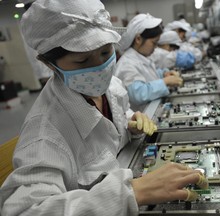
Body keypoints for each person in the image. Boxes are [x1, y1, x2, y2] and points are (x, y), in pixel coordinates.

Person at [0, 1, 207, 216]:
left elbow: (113, 125)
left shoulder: (111, 85)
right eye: (82, 60)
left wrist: (130, 124)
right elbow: (25, 210)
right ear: (49, 64)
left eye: (106, 52)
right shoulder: (44, 134)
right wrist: (129, 193)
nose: (99, 67)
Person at [115, 13, 183, 112]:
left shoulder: (141, 57)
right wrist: (165, 82)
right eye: (154, 43)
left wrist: (163, 74)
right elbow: (138, 94)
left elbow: (148, 76)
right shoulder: (127, 64)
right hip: (140, 116)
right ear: (138, 39)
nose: (155, 47)